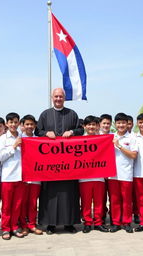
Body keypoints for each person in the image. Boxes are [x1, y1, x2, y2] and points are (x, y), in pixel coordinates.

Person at [35, 87, 83, 234]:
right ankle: (50, 224)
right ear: (52, 97)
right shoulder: (45, 114)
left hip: (69, 164)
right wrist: (45, 133)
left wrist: (73, 132)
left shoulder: (72, 114)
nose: (58, 99)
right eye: (56, 96)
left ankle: (69, 223)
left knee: (69, 194)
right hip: (50, 165)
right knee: (50, 194)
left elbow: (81, 131)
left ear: (64, 97)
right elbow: (37, 132)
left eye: (60, 97)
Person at [108, 113, 137, 233]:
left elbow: (133, 155)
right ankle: (116, 223)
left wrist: (119, 146)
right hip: (112, 174)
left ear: (127, 124)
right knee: (114, 200)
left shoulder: (132, 138)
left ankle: (127, 222)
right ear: (115, 124)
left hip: (126, 174)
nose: (121, 125)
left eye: (123, 123)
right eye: (118, 123)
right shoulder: (109, 137)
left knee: (126, 200)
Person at [0, 112, 25, 240]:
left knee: (17, 205)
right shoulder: (3, 139)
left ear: (19, 124)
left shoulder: (23, 136)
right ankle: (5, 228)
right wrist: (13, 146)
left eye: (15, 122)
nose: (13, 124)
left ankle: (14, 227)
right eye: (11, 122)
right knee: (7, 205)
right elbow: (0, 157)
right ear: (7, 124)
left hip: (20, 176)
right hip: (8, 176)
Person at [79, 115, 108, 233]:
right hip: (84, 177)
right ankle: (87, 222)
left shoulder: (103, 139)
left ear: (97, 126)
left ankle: (98, 223)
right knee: (85, 202)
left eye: (93, 124)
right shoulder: (78, 140)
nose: (91, 127)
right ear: (85, 126)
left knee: (99, 202)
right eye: (89, 124)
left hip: (99, 176)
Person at [19, 115, 43, 236]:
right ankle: (24, 226)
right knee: (22, 202)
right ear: (22, 125)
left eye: (31, 124)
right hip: (22, 176)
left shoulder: (39, 139)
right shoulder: (18, 139)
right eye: (27, 124)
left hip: (36, 176)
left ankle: (32, 224)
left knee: (33, 202)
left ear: (35, 126)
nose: (29, 127)